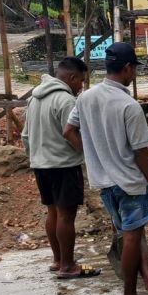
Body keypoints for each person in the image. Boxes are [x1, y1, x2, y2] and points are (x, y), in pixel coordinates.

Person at [63, 42, 148, 295]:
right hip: (130, 182)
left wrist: (93, 155)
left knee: (133, 234)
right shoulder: (128, 105)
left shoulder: (85, 98)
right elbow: (141, 152)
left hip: (105, 183)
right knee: (132, 237)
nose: (135, 74)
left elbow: (69, 131)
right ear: (127, 68)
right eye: (134, 69)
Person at [22, 57, 99, 279]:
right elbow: (71, 133)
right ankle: (68, 266)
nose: (81, 86)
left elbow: (25, 135)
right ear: (72, 78)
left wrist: (35, 157)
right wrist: (88, 156)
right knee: (66, 215)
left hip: (41, 165)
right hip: (64, 165)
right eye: (81, 81)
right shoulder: (66, 101)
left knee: (53, 211)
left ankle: (58, 260)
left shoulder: (34, 98)